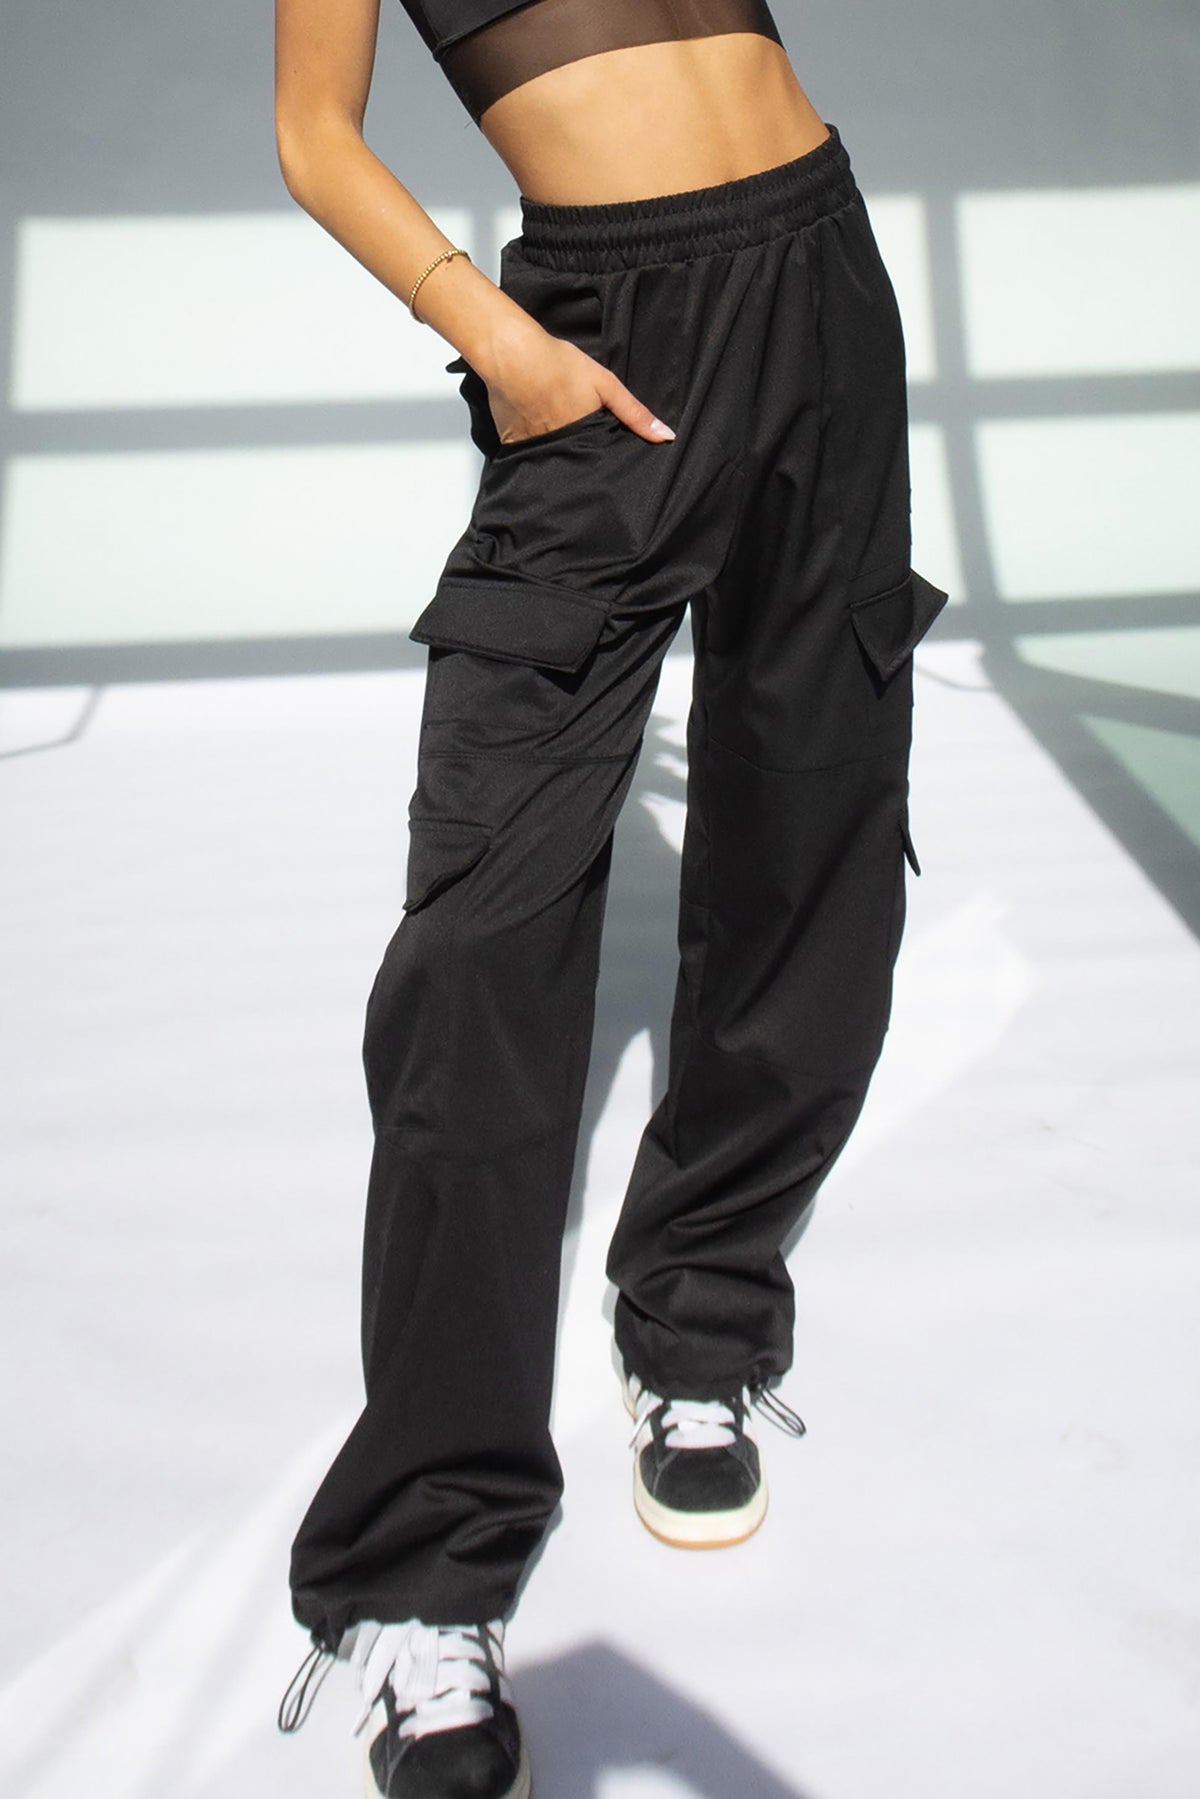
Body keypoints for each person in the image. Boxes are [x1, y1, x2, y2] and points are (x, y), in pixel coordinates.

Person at [273, 1, 949, 1794]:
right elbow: (314, 136)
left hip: (820, 270)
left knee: (810, 847)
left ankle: (702, 1320)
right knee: (479, 947)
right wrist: (497, 339)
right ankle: (426, 1562)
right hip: (600, 339)